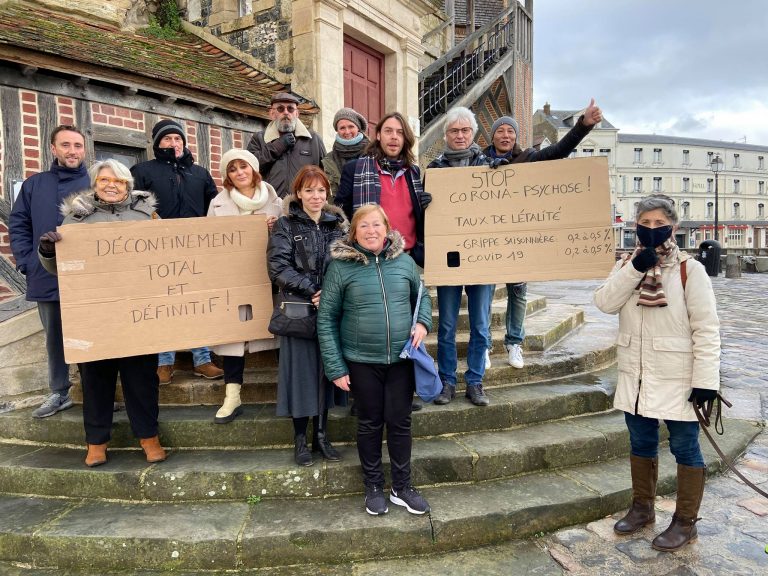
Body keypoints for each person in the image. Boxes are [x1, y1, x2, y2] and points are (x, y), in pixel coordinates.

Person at [594, 194, 720, 553]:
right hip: (636, 374)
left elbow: (706, 329)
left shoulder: (689, 270)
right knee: (641, 442)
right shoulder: (627, 265)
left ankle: (685, 523)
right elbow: (604, 303)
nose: (652, 230)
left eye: (658, 224)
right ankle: (642, 508)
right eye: (644, 224)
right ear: (636, 227)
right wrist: (636, 268)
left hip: (678, 376)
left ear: (673, 227)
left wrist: (706, 381)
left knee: (685, 447)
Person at [37, 159, 166, 467]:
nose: (111, 185)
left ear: (128, 185)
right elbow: (59, 269)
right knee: (95, 380)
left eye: (119, 181)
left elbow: (166, 260)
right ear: (94, 184)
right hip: (94, 315)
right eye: (104, 180)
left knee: (142, 380)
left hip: (137, 313)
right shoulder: (75, 219)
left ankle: (149, 438)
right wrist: (48, 251)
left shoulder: (148, 216)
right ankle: (96, 442)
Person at [317, 204, 432, 516]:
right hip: (361, 360)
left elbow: (422, 297)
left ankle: (402, 487)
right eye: (364, 226)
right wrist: (335, 366)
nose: (371, 231)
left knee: (400, 422)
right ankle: (373, 486)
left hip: (400, 359)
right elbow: (326, 318)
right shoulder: (340, 268)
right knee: (369, 423)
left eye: (376, 225)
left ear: (387, 228)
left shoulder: (405, 262)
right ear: (354, 232)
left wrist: (422, 322)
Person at [482, 99, 603, 370]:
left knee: (518, 293)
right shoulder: (480, 162)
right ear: (492, 136)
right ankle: (484, 345)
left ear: (515, 136)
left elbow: (559, 150)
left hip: (520, 239)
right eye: (500, 131)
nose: (505, 135)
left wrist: (583, 126)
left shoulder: (529, 158)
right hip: (487, 239)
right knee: (485, 295)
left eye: (510, 131)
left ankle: (514, 343)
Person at [335, 111, 431, 412]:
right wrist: (351, 247)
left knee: (408, 323)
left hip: (406, 257)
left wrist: (428, 207)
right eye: (388, 131)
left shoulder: (415, 173)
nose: (393, 137)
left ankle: (404, 390)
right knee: (367, 324)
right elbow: (339, 210)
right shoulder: (357, 168)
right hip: (368, 257)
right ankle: (362, 392)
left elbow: (419, 216)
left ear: (406, 138)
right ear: (378, 135)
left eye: (399, 132)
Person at [131, 118, 223, 384]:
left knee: (195, 305)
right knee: (164, 306)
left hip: (195, 250)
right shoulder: (143, 170)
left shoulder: (200, 173)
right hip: (157, 251)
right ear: (158, 143)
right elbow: (134, 207)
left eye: (178, 139)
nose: (174, 144)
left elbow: (214, 208)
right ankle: (164, 362)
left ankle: (202, 359)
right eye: (168, 139)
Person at [267, 165, 347, 466]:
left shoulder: (336, 226)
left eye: (320, 190)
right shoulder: (286, 225)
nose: (315, 196)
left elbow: (346, 263)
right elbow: (278, 267)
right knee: (301, 376)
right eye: (309, 190)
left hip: (331, 312)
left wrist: (330, 292)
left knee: (327, 374)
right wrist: (313, 289)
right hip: (299, 311)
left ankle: (322, 437)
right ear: (298, 193)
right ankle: (301, 440)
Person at [9, 125, 90, 418]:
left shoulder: (97, 182)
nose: (73, 151)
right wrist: (26, 262)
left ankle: (97, 389)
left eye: (78, 145)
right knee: (54, 337)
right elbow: (18, 224)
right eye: (66, 145)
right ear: (53, 149)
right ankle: (59, 391)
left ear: (84, 149)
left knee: (92, 333)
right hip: (46, 273)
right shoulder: (35, 184)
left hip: (90, 278)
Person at [208, 149, 283, 424]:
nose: (239, 172)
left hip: (267, 276)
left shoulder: (275, 200)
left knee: (275, 330)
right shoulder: (217, 204)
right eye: (233, 169)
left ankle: (285, 392)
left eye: (244, 167)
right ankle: (232, 396)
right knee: (233, 338)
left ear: (253, 169)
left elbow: (287, 238)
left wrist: (274, 228)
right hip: (234, 278)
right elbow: (210, 243)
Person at [428, 107, 495, 407]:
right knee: (447, 326)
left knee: (480, 325)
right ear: (446, 136)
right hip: (449, 258)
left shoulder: (491, 166)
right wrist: (423, 202)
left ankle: (475, 381)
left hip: (482, 258)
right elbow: (426, 216)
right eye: (454, 131)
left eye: (464, 130)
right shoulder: (434, 169)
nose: (459, 135)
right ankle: (447, 381)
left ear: (473, 133)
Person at [247, 93, 326, 199]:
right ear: (272, 113)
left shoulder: (313, 139)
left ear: (297, 113)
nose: (285, 112)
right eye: (280, 108)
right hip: (270, 205)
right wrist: (277, 146)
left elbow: (324, 176)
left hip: (304, 206)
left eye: (290, 109)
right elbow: (249, 170)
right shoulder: (259, 139)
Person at [320, 107, 370, 199]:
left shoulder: (373, 153)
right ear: (337, 130)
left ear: (358, 128)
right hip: (340, 211)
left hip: (368, 210)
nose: (347, 132)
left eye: (351, 126)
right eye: (342, 128)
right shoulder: (329, 160)